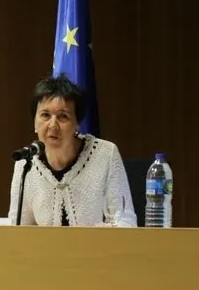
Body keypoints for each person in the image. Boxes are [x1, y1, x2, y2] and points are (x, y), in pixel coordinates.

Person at [8, 75, 137, 227]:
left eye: (63, 116)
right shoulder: (25, 164)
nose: (52, 125)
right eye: (45, 115)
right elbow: (18, 229)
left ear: (77, 124)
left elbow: (126, 223)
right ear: (35, 123)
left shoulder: (105, 155)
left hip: (95, 243)